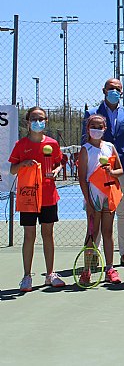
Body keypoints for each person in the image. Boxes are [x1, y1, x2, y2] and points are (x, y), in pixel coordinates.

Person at [83, 78, 124, 268]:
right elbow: (86, 142)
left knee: (123, 213)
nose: (114, 91)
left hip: (120, 172)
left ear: (121, 92)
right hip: (96, 177)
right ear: (104, 90)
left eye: (118, 89)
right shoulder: (92, 114)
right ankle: (94, 256)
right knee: (96, 215)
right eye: (111, 88)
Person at [9, 107, 65, 291]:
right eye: (34, 118)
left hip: (48, 196)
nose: (38, 121)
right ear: (27, 122)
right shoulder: (20, 144)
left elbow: (58, 164)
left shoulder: (52, 144)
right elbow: (12, 170)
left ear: (46, 121)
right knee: (29, 236)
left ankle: (50, 274)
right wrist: (23, 163)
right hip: (28, 198)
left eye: (41, 118)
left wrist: (55, 171)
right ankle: (27, 277)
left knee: (48, 234)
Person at [77, 114, 124, 284]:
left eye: (100, 126)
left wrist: (112, 172)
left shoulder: (110, 147)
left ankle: (110, 269)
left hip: (108, 195)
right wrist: (88, 201)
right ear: (88, 129)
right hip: (93, 196)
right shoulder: (85, 149)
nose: (96, 129)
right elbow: (82, 178)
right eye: (93, 126)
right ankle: (86, 270)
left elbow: (120, 170)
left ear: (105, 129)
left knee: (108, 231)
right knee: (92, 233)